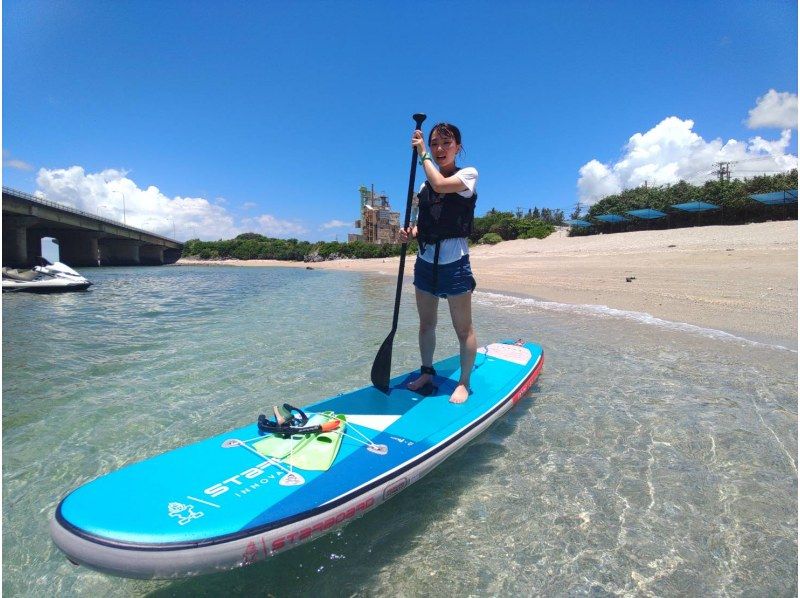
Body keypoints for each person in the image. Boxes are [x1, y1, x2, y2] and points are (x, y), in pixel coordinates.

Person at [397, 122, 478, 404]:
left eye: (446, 142)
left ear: (458, 146)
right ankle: (427, 372)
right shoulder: (423, 185)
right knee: (426, 325)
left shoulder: (468, 175)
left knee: (463, 328)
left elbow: (440, 184)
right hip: (424, 262)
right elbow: (425, 223)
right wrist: (411, 233)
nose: (440, 148)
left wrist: (422, 154)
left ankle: (464, 383)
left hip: (455, 264)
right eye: (434, 143)